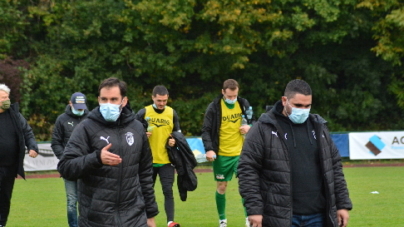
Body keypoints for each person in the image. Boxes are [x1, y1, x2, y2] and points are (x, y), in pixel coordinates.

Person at [238, 79, 352, 227]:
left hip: (318, 215)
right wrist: (254, 209)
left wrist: (342, 204)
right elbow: (247, 169)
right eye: (298, 105)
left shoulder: (319, 127)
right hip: (280, 216)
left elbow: (334, 167)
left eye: (307, 106)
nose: (303, 110)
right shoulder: (263, 128)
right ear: (284, 100)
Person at [57, 77, 158, 227]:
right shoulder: (86, 128)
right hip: (96, 219)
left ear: (123, 101)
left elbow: (145, 174)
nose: (108, 104)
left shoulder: (137, 129)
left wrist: (150, 214)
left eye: (113, 99)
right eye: (104, 99)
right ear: (98, 99)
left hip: (134, 218)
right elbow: (66, 167)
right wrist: (96, 158)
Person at [201, 79, 251, 227]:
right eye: (229, 96)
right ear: (223, 92)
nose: (232, 99)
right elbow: (206, 130)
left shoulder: (243, 104)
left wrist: (249, 127)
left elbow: (254, 121)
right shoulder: (214, 107)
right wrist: (209, 149)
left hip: (241, 153)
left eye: (234, 96)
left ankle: (249, 219)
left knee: (246, 185)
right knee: (222, 186)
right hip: (222, 154)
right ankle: (222, 220)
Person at [135, 85, 181, 227]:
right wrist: (141, 134)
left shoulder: (172, 113)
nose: (162, 104)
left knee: (168, 191)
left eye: (165, 101)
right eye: (159, 100)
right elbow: (129, 133)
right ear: (153, 98)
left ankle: (170, 222)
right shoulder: (143, 112)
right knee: (145, 193)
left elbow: (178, 135)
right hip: (147, 162)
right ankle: (143, 221)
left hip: (166, 161)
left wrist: (175, 141)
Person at [0, 84, 38, 227]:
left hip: (10, 166)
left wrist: (32, 146)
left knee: (5, 197)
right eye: (3, 98)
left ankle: (2, 223)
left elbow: (27, 132)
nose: (7, 100)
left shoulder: (15, 115)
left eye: (7, 97)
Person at [51, 92, 89, 227]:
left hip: (87, 166)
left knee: (88, 201)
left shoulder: (91, 118)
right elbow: (55, 142)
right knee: (72, 201)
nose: (80, 109)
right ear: (70, 103)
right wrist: (65, 160)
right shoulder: (62, 119)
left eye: (82, 107)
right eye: (77, 106)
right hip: (69, 168)